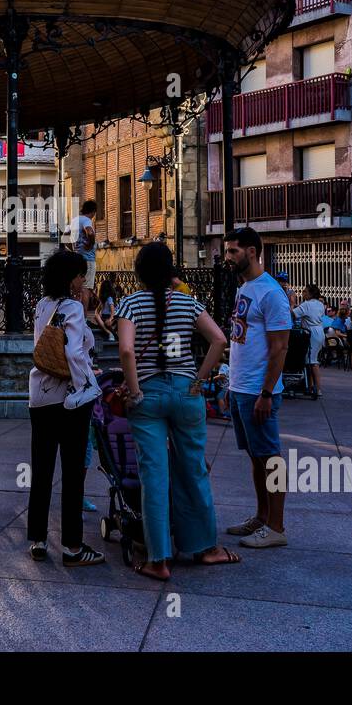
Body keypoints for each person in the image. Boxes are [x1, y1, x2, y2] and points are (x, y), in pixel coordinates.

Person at [115, 241, 232, 579]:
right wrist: (198, 380)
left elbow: (125, 351)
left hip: (148, 396)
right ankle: (205, 547)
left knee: (154, 476)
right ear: (170, 271)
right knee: (193, 468)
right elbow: (219, 340)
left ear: (139, 271)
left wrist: (134, 391)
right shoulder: (188, 302)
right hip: (185, 393)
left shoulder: (129, 304)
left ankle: (159, 560)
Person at [26, 248, 104, 566]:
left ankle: (38, 539)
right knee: (72, 472)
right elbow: (73, 352)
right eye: (80, 274)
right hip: (69, 398)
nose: (83, 279)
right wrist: (86, 382)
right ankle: (72, 546)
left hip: (40, 396)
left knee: (42, 469)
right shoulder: (71, 307)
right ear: (69, 277)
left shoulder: (42, 305)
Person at [223, 227, 292, 549]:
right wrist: (230, 384)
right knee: (255, 457)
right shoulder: (245, 288)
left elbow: (279, 348)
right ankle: (261, 517)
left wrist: (266, 393)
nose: (227, 257)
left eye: (233, 251)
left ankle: (276, 527)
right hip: (240, 387)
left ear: (251, 251)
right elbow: (241, 341)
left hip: (258, 391)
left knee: (270, 458)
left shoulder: (270, 292)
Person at [291, 284, 325, 398]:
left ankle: (318, 388)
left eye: (305, 292)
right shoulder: (320, 304)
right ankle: (310, 386)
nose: (303, 293)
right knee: (309, 360)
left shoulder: (306, 305)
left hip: (311, 333)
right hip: (319, 331)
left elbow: (293, 314)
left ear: (310, 293)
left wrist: (291, 305)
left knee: (312, 361)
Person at [70, 199, 98, 315]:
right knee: (86, 288)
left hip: (77, 258)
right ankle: (84, 317)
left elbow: (66, 235)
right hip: (88, 259)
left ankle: (76, 314)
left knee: (76, 288)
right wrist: (90, 244)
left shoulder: (74, 220)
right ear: (93, 212)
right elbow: (90, 233)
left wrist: (73, 249)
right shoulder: (87, 220)